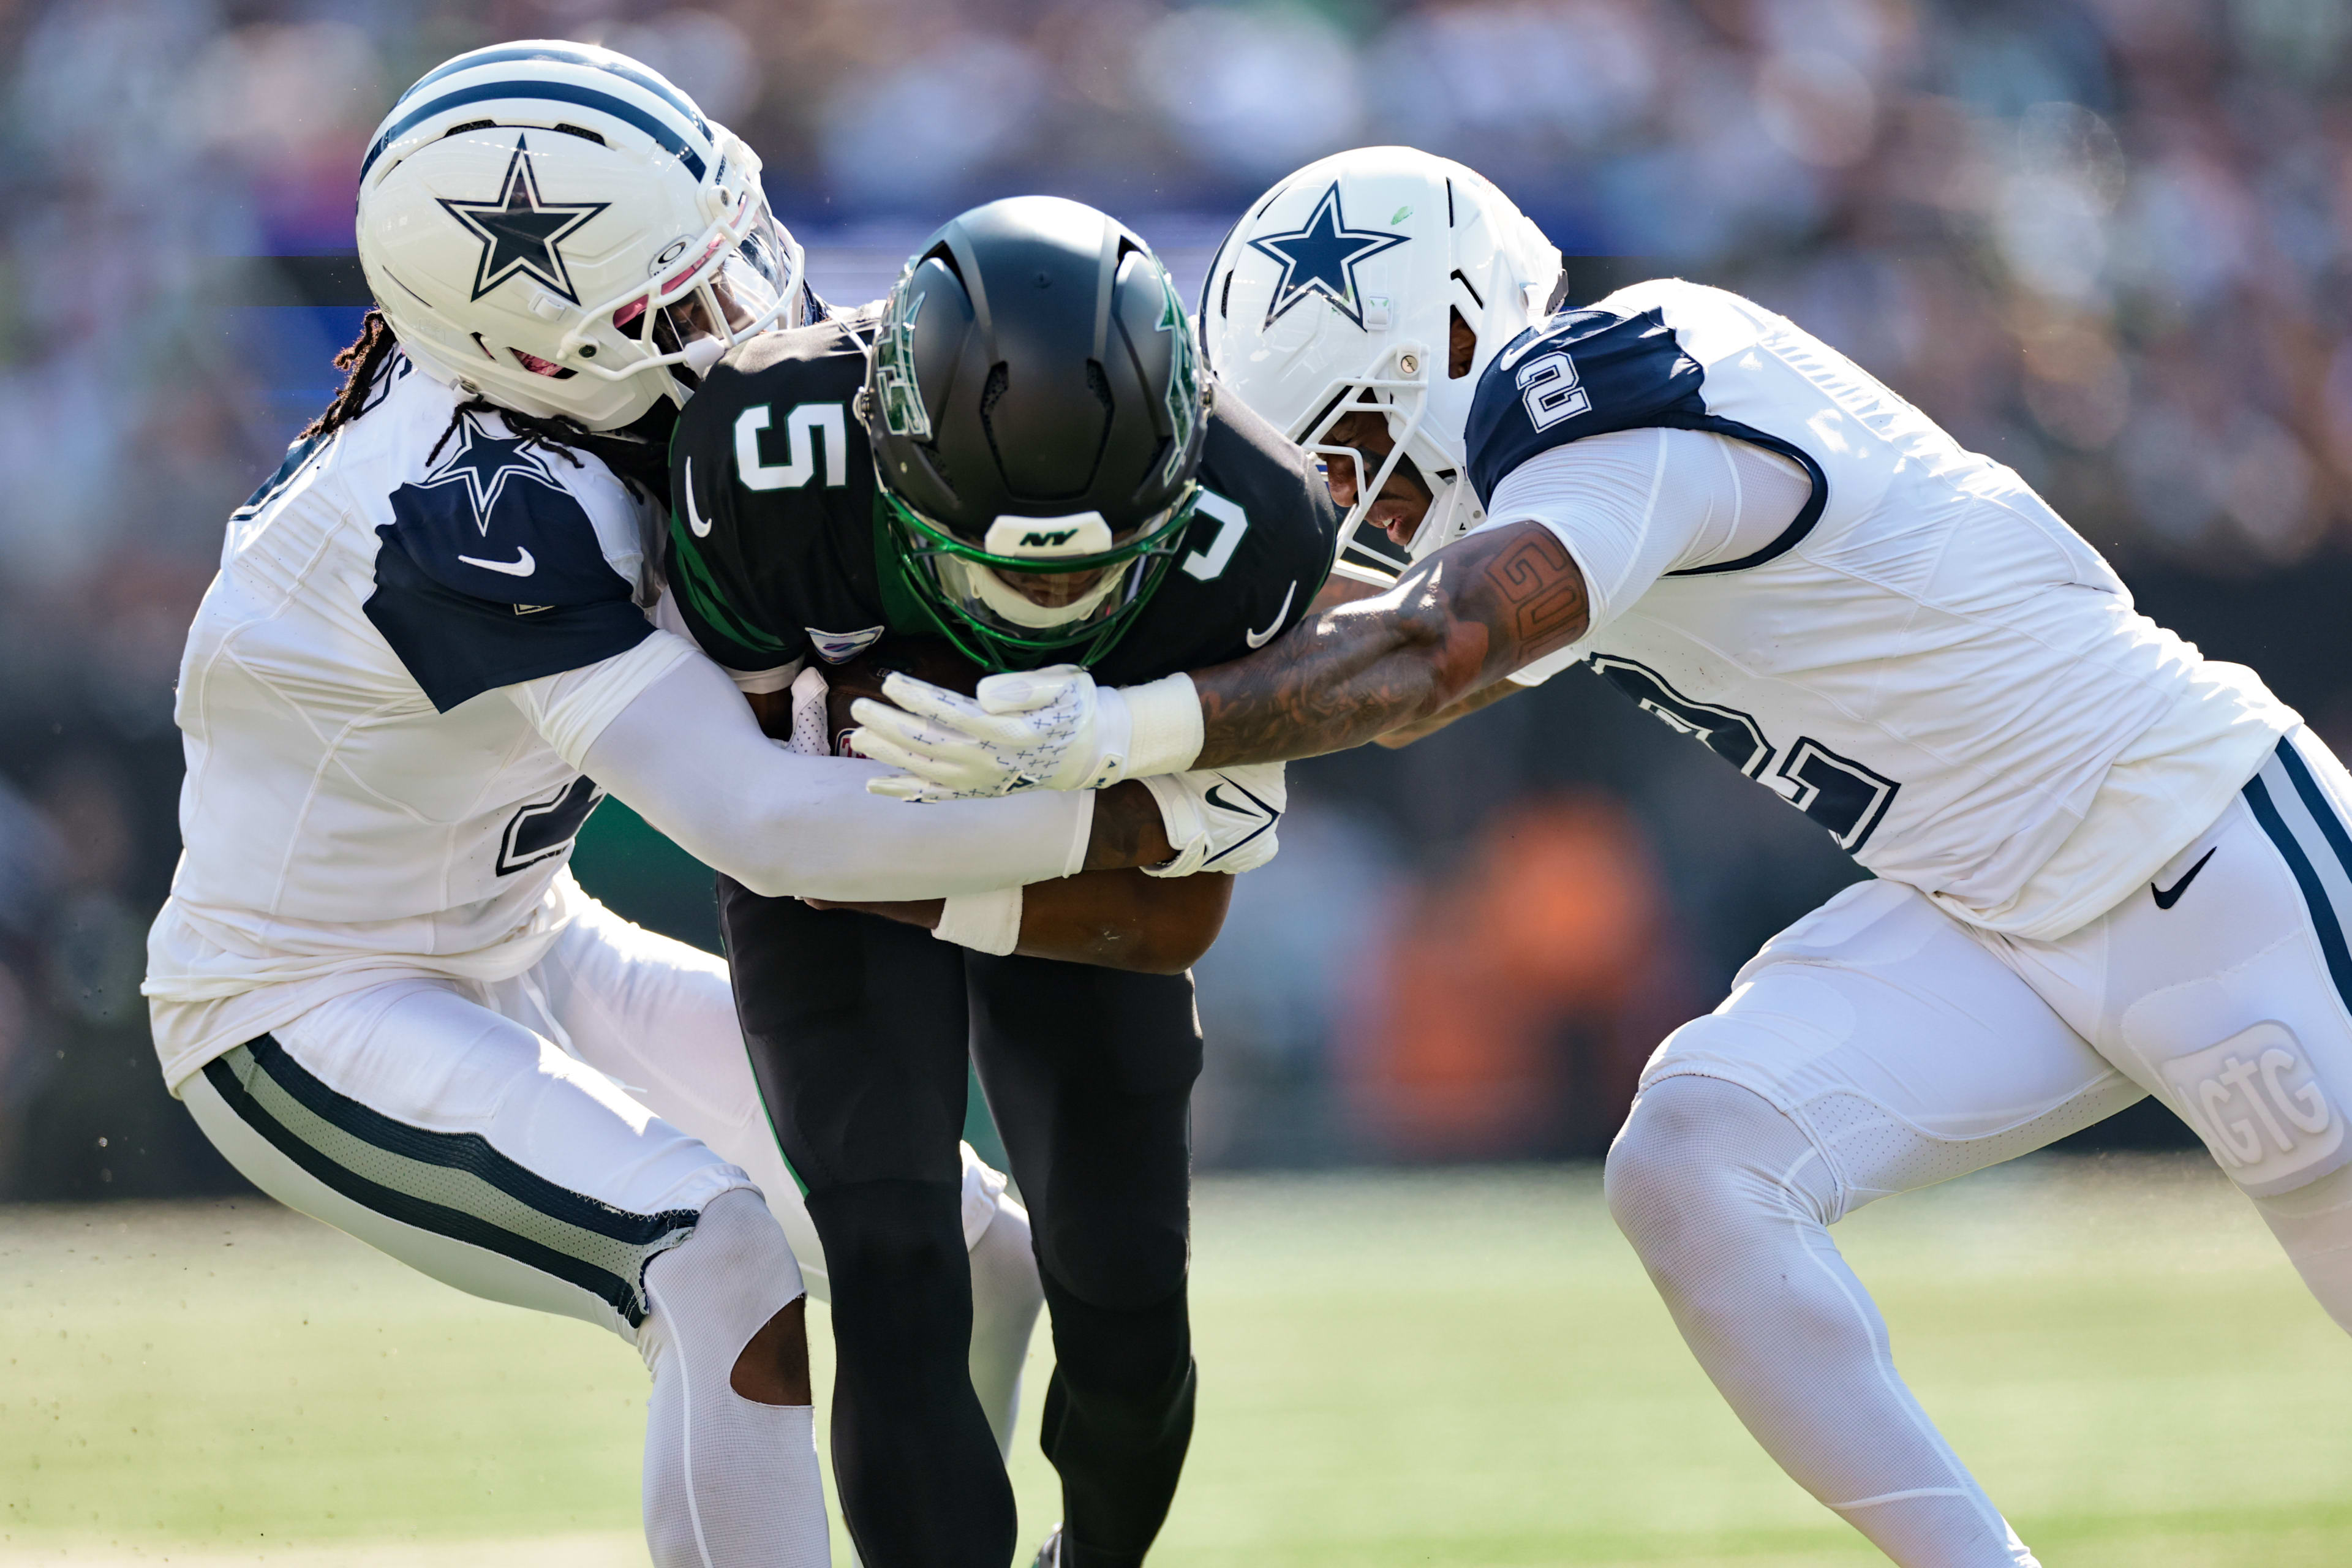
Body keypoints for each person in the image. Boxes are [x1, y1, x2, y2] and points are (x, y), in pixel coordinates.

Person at [851, 145, 2352, 1568]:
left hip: (2202, 846)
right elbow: (1388, 682)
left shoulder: (1622, 378)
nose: (1358, 502)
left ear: (1456, 326)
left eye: (1358, 443)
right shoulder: (1574, 477)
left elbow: (1425, 655)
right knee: (1698, 1157)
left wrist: (1117, 725)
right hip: (1988, 916)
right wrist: (1077, 717)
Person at [140, 45, 1205, 1567]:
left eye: (737, 257)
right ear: (540, 353)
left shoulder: (586, 415)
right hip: (303, 1000)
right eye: (679, 303)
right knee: (716, 1261)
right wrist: (1128, 810)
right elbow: (764, 822)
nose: (749, 313)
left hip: (523, 937)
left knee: (993, 1252)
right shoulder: (467, 511)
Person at [661, 194, 1336, 1568]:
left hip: (1060, 866)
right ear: (885, 445)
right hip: (837, 854)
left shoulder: (1259, 519)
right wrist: (885, 830)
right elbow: (743, 804)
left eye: (1096, 575)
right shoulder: (760, 446)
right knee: (893, 1263)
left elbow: (1183, 900)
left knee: (1130, 1310)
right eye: (987, 561)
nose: (1042, 611)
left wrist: (995, 836)